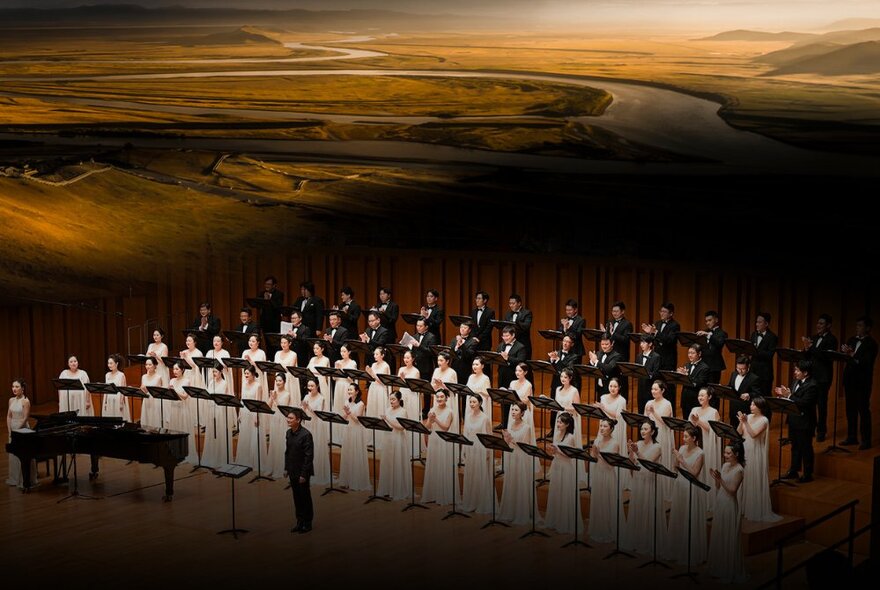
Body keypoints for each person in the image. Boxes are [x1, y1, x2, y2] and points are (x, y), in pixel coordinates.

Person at [707, 443, 748, 584]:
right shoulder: (725, 466)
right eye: (725, 453)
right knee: (719, 533)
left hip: (730, 505)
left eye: (728, 453)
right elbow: (719, 487)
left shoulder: (739, 470)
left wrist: (720, 479)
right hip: (721, 501)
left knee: (728, 535)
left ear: (736, 454)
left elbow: (732, 491)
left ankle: (728, 569)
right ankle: (718, 567)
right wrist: (717, 480)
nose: (725, 455)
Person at [621, 419, 664, 554]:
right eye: (641, 429)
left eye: (645, 429)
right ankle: (636, 539)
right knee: (638, 508)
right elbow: (631, 463)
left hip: (649, 481)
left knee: (648, 508)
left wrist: (637, 452)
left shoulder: (657, 447)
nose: (642, 431)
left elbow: (648, 463)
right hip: (638, 480)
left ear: (652, 431)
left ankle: (647, 542)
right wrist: (630, 452)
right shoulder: (638, 443)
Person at [666, 424, 707, 565]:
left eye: (686, 436)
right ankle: (676, 549)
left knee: (689, 517)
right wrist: (676, 459)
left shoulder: (700, 453)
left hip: (691, 487)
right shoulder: (682, 449)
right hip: (680, 485)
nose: (683, 439)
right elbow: (676, 468)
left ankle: (691, 552)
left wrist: (681, 459)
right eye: (683, 436)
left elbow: (695, 473)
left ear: (694, 438)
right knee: (679, 515)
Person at [737, 397, 781, 522]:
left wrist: (745, 422)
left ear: (760, 407)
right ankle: (744, 507)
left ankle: (754, 508)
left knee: (752, 478)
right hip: (745, 449)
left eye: (754, 404)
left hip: (755, 452)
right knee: (744, 477)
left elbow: (754, 435)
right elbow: (739, 432)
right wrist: (741, 422)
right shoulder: (748, 417)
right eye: (751, 404)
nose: (751, 406)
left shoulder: (764, 420)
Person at [776, 360, 818, 483]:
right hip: (794, 419)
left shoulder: (813, 385)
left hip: (805, 422)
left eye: (797, 370)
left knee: (805, 448)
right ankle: (793, 471)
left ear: (805, 373)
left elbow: (805, 403)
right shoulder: (796, 381)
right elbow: (794, 398)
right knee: (795, 447)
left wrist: (789, 396)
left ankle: (808, 474)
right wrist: (784, 396)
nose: (795, 372)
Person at [498, 401, 537, 525]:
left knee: (520, 481)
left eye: (516, 410)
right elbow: (508, 443)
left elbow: (524, 446)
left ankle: (521, 511)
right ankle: (511, 510)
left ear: (522, 413)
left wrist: (510, 439)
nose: (513, 412)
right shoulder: (510, 425)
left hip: (521, 458)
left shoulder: (526, 427)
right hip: (512, 456)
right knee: (512, 480)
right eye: (512, 410)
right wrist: (506, 440)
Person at [842, 316, 877, 450]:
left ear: (868, 328)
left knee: (863, 410)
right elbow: (848, 358)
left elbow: (866, 363)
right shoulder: (852, 340)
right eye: (857, 325)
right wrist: (845, 353)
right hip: (850, 380)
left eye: (860, 326)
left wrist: (852, 354)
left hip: (862, 382)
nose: (857, 328)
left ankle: (866, 440)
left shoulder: (872, 344)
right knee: (850, 410)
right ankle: (852, 437)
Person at [543, 412, 582, 534]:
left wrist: (557, 451)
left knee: (565, 492)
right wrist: (552, 451)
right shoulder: (557, 435)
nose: (558, 424)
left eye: (560, 422)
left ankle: (564, 522)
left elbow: (570, 455)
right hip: (556, 465)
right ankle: (555, 519)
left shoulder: (570, 437)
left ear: (567, 424)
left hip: (566, 467)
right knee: (556, 491)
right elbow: (556, 452)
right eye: (557, 422)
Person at [802, 314, 837, 442]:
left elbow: (825, 357)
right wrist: (806, 349)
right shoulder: (813, 338)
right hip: (811, 376)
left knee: (821, 405)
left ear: (828, 325)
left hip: (823, 377)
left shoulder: (832, 340)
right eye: (818, 323)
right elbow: (806, 357)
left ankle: (821, 431)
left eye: (822, 323)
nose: (818, 325)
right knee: (809, 403)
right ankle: (811, 427)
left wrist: (811, 348)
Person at [420, 389, 457, 505]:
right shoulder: (432, 410)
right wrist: (429, 421)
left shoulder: (450, 411)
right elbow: (426, 428)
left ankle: (443, 495)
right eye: (437, 397)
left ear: (446, 398)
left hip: (444, 441)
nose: (439, 399)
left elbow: (445, 427)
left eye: (442, 397)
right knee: (434, 464)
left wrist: (435, 419)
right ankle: (433, 494)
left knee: (443, 464)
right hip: (434, 440)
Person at [642, 302, 680, 409]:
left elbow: (670, 340)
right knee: (656, 384)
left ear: (671, 313)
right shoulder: (657, 323)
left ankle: (669, 411)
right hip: (656, 359)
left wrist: (656, 333)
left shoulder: (675, 325)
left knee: (668, 386)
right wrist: (649, 334)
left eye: (664, 312)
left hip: (668, 360)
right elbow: (654, 340)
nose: (661, 313)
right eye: (661, 311)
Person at [460, 393, 495, 513]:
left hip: (480, 448)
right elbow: (466, 433)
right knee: (471, 474)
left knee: (480, 474)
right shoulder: (468, 416)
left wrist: (487, 453)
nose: (471, 404)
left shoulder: (485, 418)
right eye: (470, 402)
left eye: (474, 402)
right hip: (470, 447)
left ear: (480, 403)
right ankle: (471, 501)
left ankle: (481, 502)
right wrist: (464, 449)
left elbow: (487, 437)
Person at [589, 418, 621, 544]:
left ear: (611, 429)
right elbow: (593, 459)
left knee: (607, 501)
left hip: (608, 475)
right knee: (598, 500)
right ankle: (599, 528)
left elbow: (611, 465)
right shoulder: (597, 440)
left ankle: (609, 530)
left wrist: (599, 453)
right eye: (601, 426)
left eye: (605, 426)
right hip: (598, 473)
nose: (602, 428)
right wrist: (594, 452)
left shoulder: (615, 444)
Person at [689, 387, 721, 510]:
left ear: (709, 397)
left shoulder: (714, 412)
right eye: (699, 395)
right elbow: (690, 428)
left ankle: (708, 501)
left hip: (708, 444)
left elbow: (713, 431)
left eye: (703, 395)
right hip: (696, 443)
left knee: (707, 467)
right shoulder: (694, 409)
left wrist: (699, 422)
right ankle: (697, 499)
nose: (700, 398)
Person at [285, 407, 315, 533]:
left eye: (291, 418)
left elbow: (309, 457)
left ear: (298, 420)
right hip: (292, 470)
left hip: (302, 472)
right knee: (296, 497)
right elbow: (288, 452)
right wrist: (286, 468)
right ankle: (299, 521)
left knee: (305, 497)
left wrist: (304, 474)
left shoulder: (306, 435)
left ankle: (307, 523)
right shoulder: (288, 433)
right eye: (288, 417)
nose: (288, 420)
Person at [377, 391, 411, 500]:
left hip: (398, 439)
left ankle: (397, 489)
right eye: (390, 399)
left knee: (397, 462)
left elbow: (401, 427)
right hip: (388, 438)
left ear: (399, 400)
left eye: (393, 399)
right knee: (387, 463)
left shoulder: (403, 411)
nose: (391, 401)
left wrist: (387, 419)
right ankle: (387, 488)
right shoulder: (388, 410)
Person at [645, 380, 675, 501]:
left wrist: (653, 412)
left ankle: (664, 492)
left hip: (662, 434)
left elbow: (664, 422)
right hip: (652, 434)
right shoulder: (648, 402)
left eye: (656, 389)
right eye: (652, 389)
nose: (653, 391)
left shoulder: (667, 404)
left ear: (662, 390)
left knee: (661, 460)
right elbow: (646, 421)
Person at [338, 383, 370, 491]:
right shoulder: (347, 401)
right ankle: (346, 480)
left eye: (351, 390)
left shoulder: (361, 404)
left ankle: (356, 481)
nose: (349, 391)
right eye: (348, 390)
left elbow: (357, 420)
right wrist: (342, 416)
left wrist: (349, 412)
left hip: (356, 431)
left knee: (355, 453)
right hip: (348, 429)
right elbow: (345, 416)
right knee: (348, 453)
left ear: (356, 391)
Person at [7, 379, 37, 489]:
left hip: (22, 429)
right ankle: (14, 478)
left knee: (23, 454)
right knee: (14, 454)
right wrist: (10, 430)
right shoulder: (11, 400)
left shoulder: (25, 401)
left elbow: (25, 418)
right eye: (13, 386)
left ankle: (25, 479)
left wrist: (16, 430)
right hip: (13, 428)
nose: (14, 389)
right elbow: (9, 416)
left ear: (22, 389)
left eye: (17, 387)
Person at [203, 367, 236, 468]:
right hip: (211, 409)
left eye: (216, 371)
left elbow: (227, 399)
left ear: (221, 372)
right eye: (212, 371)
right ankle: (212, 456)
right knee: (212, 433)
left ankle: (221, 458)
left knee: (220, 432)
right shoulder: (211, 382)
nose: (214, 373)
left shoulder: (225, 383)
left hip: (220, 410)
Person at [300, 377, 330, 485]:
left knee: (315, 447)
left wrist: (308, 407)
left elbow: (319, 414)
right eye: (309, 386)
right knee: (306, 449)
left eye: (312, 386)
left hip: (317, 425)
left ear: (317, 386)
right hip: (308, 424)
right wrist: (303, 408)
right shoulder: (306, 396)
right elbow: (302, 411)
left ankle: (317, 472)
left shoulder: (321, 398)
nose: (310, 388)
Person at [497, 326, 526, 425]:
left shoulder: (520, 346)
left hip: (513, 376)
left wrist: (508, 358)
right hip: (502, 375)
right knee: (503, 398)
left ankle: (514, 422)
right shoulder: (501, 345)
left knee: (512, 399)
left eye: (507, 336)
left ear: (513, 335)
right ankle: (503, 422)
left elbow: (521, 361)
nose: (505, 338)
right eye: (503, 336)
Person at [267, 373, 293, 479]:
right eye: (276, 381)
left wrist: (275, 399)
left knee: (282, 443)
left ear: (284, 382)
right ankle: (272, 467)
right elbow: (268, 406)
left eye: (280, 381)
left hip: (282, 420)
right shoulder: (274, 392)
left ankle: (283, 468)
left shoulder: (287, 394)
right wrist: (271, 397)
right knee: (274, 442)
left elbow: (283, 410)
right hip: (274, 419)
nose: (278, 383)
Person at [726, 356, 762, 426]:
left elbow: (758, 393)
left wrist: (749, 394)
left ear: (748, 366)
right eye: (738, 368)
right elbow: (730, 386)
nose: (740, 371)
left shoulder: (754, 378)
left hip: (745, 410)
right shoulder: (734, 374)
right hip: (733, 408)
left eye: (743, 369)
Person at [677, 343, 711, 415]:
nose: (690, 355)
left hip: (695, 400)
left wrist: (686, 376)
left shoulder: (705, 367)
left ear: (699, 354)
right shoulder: (687, 365)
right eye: (689, 353)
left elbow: (700, 383)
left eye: (692, 353)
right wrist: (680, 376)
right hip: (685, 399)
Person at [749, 312, 778, 397]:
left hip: (765, 373)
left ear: (766, 324)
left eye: (759, 322)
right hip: (753, 371)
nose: (757, 324)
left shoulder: (772, 337)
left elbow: (770, 354)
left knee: (764, 397)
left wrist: (755, 350)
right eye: (756, 322)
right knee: (753, 396)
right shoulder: (754, 334)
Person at [696, 310, 727, 386]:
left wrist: (708, 335)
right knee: (702, 386)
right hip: (703, 365)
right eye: (706, 321)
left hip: (714, 366)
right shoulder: (704, 331)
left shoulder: (722, 333)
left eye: (710, 320)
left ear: (716, 320)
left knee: (712, 388)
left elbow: (719, 343)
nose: (707, 323)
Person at [588, 333, 621, 398]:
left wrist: (596, 361)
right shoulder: (599, 353)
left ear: (612, 343)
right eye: (602, 344)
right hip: (599, 386)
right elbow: (591, 367)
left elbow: (609, 368)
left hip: (610, 388)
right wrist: (592, 361)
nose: (604, 346)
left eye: (607, 344)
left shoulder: (617, 356)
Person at [635, 335, 661, 413]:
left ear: (650, 344)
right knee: (640, 409)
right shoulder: (639, 356)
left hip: (650, 388)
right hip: (640, 388)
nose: (641, 344)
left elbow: (657, 373)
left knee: (650, 412)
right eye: (641, 342)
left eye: (644, 342)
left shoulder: (656, 356)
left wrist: (647, 374)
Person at [365, 346, 391, 418]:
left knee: (380, 408)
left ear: (382, 355)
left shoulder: (386, 366)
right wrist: (368, 373)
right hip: (373, 388)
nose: (374, 356)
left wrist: (373, 374)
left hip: (381, 389)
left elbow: (384, 383)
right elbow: (371, 380)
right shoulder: (373, 365)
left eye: (377, 354)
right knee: (372, 408)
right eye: (374, 354)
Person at [505, 294, 533, 360]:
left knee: (524, 365)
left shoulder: (527, 313)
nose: (511, 305)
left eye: (513, 303)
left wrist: (516, 322)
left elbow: (526, 326)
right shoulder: (508, 314)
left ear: (519, 303)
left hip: (523, 343)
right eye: (510, 303)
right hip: (511, 344)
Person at [102, 353, 129, 421]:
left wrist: (121, 403)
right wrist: (105, 402)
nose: (109, 365)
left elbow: (123, 390)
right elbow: (106, 390)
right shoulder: (107, 375)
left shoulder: (121, 375)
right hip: (109, 399)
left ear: (116, 364)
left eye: (111, 363)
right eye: (108, 363)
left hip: (117, 398)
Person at [139, 357, 164, 429]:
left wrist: (147, 390)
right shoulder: (143, 377)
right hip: (146, 400)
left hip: (154, 401)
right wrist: (142, 389)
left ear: (155, 365)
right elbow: (143, 391)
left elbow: (158, 392)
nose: (147, 366)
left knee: (154, 421)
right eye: (146, 364)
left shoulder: (158, 377)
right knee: (146, 420)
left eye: (150, 364)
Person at [470, 290, 495, 359]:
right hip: (474, 342)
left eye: (479, 298)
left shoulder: (490, 312)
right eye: (476, 298)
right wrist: (473, 338)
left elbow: (489, 328)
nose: (477, 300)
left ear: (485, 300)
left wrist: (479, 338)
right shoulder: (473, 312)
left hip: (485, 342)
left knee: (485, 364)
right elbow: (472, 326)